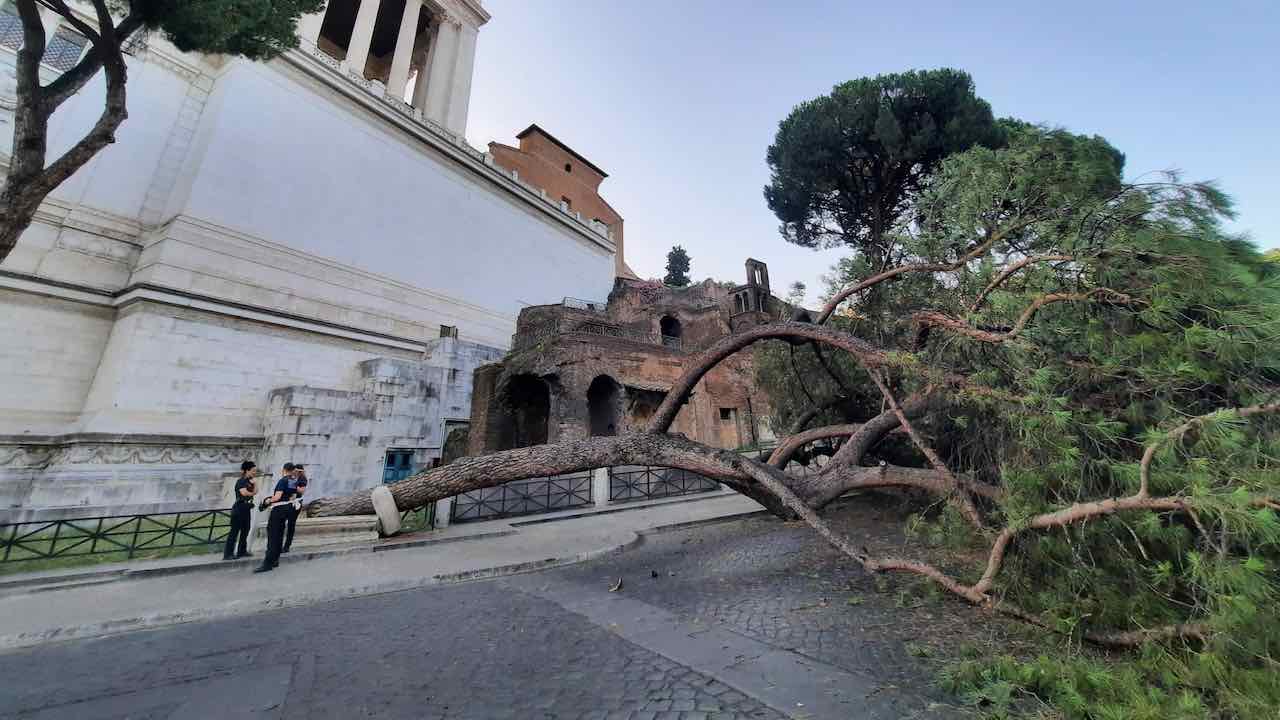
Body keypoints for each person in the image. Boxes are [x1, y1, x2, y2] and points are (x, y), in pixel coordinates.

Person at [255, 464, 302, 573]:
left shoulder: (283, 481)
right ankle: (275, 560)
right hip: (288, 509)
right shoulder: (293, 481)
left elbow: (277, 497)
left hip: (279, 510)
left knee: (273, 536)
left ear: (284, 470)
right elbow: (293, 496)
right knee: (280, 534)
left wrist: (267, 501)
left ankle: (267, 563)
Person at [223, 460, 257, 560]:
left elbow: (256, 491)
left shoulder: (249, 481)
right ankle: (228, 554)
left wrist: (255, 484)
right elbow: (244, 493)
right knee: (234, 532)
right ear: (247, 471)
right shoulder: (241, 481)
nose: (255, 472)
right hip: (239, 508)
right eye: (253, 470)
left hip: (246, 508)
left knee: (245, 530)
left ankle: (242, 551)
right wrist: (252, 493)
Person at [282, 467, 308, 554]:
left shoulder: (302, 479)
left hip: (296, 503)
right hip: (287, 503)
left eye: (297, 471)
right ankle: (280, 544)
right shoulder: (291, 477)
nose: (295, 472)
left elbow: (302, 491)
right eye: (294, 471)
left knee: (291, 524)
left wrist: (294, 485)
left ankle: (287, 546)